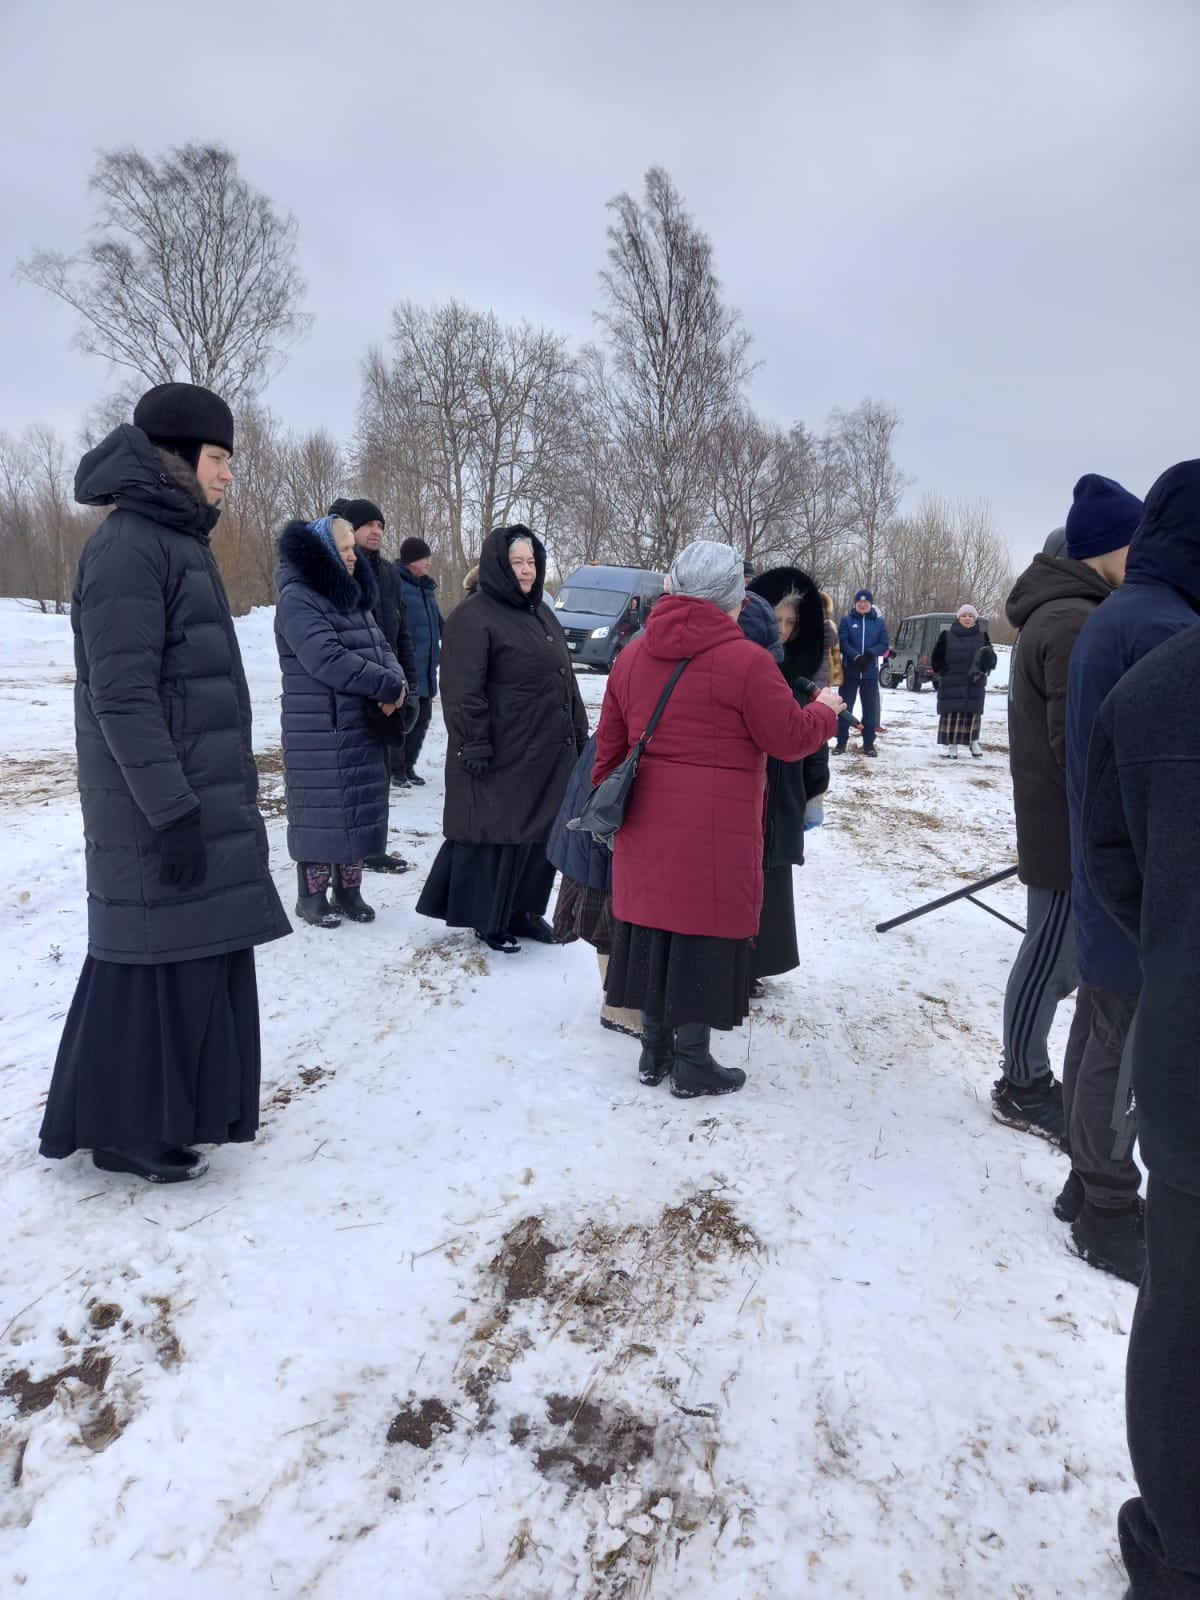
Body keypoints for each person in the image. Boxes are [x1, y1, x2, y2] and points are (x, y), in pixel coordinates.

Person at [38, 382, 291, 1185]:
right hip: (157, 806)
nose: (227, 477)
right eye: (219, 460)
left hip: (190, 796)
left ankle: (167, 1116)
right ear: (178, 457)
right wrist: (172, 809)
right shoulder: (127, 548)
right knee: (147, 961)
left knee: (185, 957)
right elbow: (122, 695)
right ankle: (123, 1130)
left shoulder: (174, 538)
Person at [595, 540, 844, 1098]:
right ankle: (692, 1062)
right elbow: (787, 739)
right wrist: (825, 713)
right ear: (732, 600)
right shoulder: (747, 662)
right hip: (716, 836)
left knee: (654, 932)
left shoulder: (632, 654)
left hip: (645, 831)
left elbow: (607, 752)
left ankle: (652, 1052)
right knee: (699, 937)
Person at [1081, 620, 1200, 1600]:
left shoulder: (1157, 688)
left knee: (1186, 1312)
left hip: (1191, 1049)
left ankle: (1180, 1547)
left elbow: (1115, 866)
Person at [1064, 464, 1200, 1283]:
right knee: (1124, 1045)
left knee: (1097, 1028)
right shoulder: (1165, 632)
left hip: (1107, 865)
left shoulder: (1122, 615)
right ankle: (1109, 1202)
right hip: (1142, 884)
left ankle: (1086, 1181)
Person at [991, 506, 1137, 1147]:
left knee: (1058, 957)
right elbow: (1072, 744)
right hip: (1066, 828)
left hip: (1062, 821)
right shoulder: (1072, 622)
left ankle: (1025, 1075)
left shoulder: (1059, 618)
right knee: (1050, 958)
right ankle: (1021, 1084)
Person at [417, 525, 588, 952]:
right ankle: (488, 919)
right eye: (517, 562)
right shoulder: (474, 616)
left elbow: (565, 680)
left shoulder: (541, 612)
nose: (527, 570)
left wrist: (579, 734)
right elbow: (461, 687)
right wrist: (473, 741)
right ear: (498, 564)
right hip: (502, 749)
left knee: (539, 834)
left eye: (531, 562)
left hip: (546, 750)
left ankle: (524, 912)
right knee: (498, 834)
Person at [275, 515, 408, 929]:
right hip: (320, 728)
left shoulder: (351, 596)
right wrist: (385, 685)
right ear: (322, 551)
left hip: (360, 723)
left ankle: (349, 889)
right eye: (344, 548)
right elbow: (327, 658)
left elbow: (380, 645)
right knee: (321, 809)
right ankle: (311, 895)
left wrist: (397, 682)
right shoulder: (299, 598)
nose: (352, 556)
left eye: (353, 548)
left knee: (358, 808)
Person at [328, 499, 419, 864]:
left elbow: (400, 634)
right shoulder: (338, 571)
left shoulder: (389, 575)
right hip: (352, 690)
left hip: (389, 689)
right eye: (368, 525)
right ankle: (336, 863)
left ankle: (372, 849)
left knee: (376, 781)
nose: (376, 531)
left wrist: (406, 682)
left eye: (381, 525)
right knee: (345, 785)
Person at [547, 732, 642, 1039]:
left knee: (614, 897)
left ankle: (624, 1004)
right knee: (610, 903)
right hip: (617, 779)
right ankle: (621, 1009)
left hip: (618, 769)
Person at [395, 536, 444, 787]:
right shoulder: (398, 586)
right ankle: (397, 769)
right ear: (412, 560)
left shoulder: (427, 590)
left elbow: (438, 623)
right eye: (425, 557)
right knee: (405, 721)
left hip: (427, 669)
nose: (429, 562)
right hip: (406, 669)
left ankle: (409, 766)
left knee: (422, 721)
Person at [929, 604, 997, 758]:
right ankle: (952, 746)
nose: (967, 618)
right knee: (952, 713)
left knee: (972, 714)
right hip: (951, 681)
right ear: (958, 618)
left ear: (975, 619)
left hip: (974, 683)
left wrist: (984, 668)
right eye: (964, 615)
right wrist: (943, 672)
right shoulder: (946, 636)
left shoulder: (983, 636)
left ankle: (974, 742)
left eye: (971, 616)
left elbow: (990, 659)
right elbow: (936, 659)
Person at [835, 589, 888, 757]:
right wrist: (855, 656)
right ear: (855, 604)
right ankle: (841, 742)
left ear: (871, 604)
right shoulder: (847, 621)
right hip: (850, 671)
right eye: (859, 602)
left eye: (866, 602)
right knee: (844, 707)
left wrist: (871, 653)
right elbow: (842, 641)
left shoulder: (878, 623)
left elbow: (884, 643)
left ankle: (868, 744)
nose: (862, 604)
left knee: (870, 709)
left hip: (869, 672)